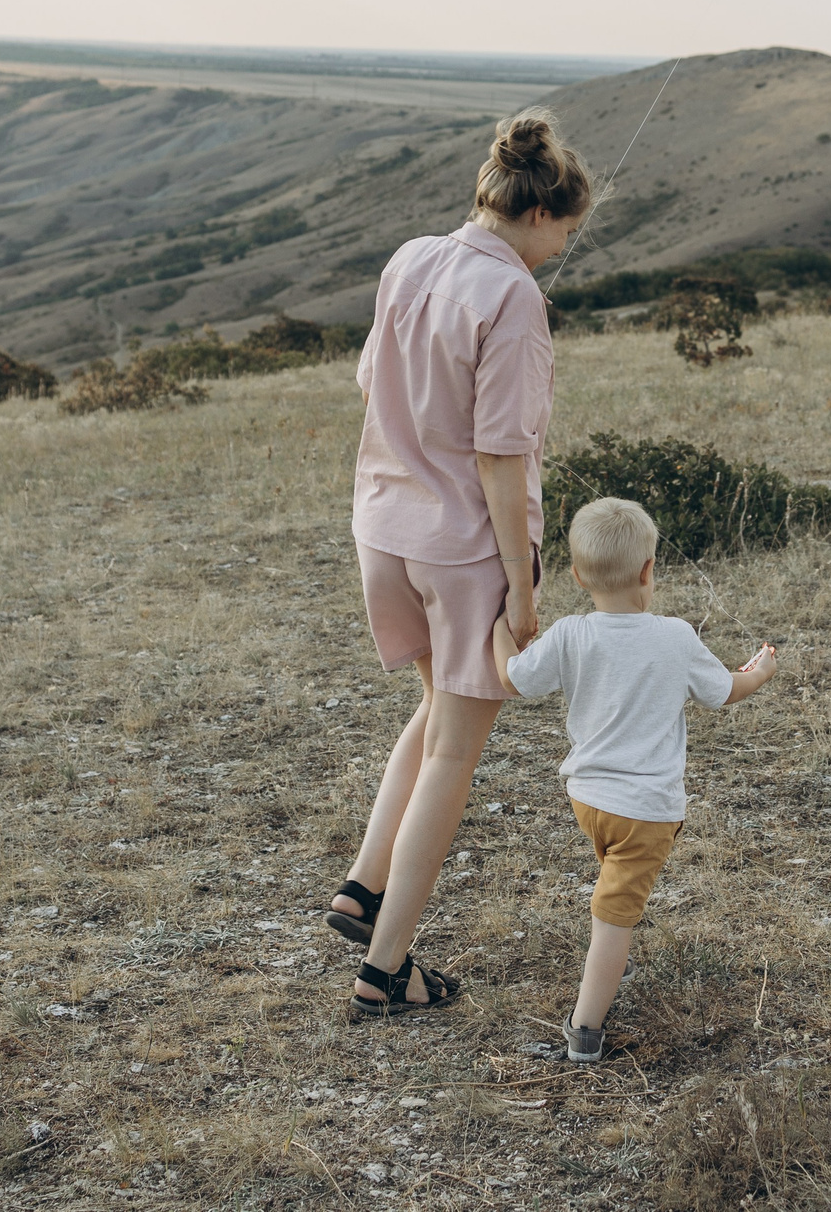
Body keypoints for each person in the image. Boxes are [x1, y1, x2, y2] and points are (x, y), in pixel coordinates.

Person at [328, 108, 592, 1018]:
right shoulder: (514, 295)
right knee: (453, 747)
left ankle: (364, 887)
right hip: (462, 546)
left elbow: (370, 381)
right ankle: (387, 967)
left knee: (434, 709)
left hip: (383, 527)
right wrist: (524, 590)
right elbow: (501, 456)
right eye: (566, 232)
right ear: (543, 213)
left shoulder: (410, 257)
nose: (561, 250)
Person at [492, 496, 779, 1062]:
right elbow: (725, 691)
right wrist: (760, 671)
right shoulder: (674, 635)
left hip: (587, 803)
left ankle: (598, 992)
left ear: (576, 575)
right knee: (612, 921)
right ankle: (585, 1033)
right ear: (649, 571)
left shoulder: (571, 633)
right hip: (647, 812)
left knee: (611, 894)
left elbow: (513, 680)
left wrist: (501, 626)